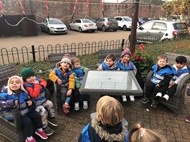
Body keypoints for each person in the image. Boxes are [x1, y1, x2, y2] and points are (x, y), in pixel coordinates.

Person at [0, 75, 48, 142]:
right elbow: (1, 104)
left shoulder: (24, 92)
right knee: (27, 121)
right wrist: (11, 102)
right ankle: (29, 138)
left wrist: (31, 102)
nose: (14, 84)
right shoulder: (5, 94)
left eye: (17, 82)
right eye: (12, 82)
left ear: (21, 84)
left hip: (25, 110)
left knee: (36, 115)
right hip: (12, 113)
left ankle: (39, 129)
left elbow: (30, 99)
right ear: (8, 84)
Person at [21, 67, 57, 136]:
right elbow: (34, 95)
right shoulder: (27, 86)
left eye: (33, 76)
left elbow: (44, 81)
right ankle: (44, 126)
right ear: (25, 79)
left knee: (50, 103)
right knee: (43, 111)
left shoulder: (37, 80)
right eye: (29, 77)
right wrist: (37, 85)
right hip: (36, 105)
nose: (32, 78)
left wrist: (41, 85)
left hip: (43, 100)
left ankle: (52, 117)